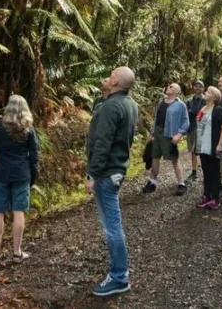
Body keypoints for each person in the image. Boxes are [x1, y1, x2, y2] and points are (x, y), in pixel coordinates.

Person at [85, 66, 139, 297]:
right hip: (117, 170)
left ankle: (119, 277)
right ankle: (119, 273)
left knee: (112, 226)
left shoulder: (111, 107)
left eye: (110, 74)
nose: (106, 76)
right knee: (112, 223)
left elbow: (102, 144)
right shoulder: (129, 104)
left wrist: (92, 174)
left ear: (116, 81)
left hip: (107, 172)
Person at [0, 95, 40, 267]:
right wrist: (33, 176)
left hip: (1, 174)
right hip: (21, 174)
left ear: (8, 108)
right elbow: (35, 156)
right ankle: (17, 253)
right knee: (18, 211)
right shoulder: (28, 129)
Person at [142, 83, 190, 195]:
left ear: (177, 92)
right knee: (155, 156)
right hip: (157, 133)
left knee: (174, 159)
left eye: (171, 86)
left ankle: (181, 183)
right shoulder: (161, 102)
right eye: (169, 86)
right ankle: (152, 182)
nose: (169, 86)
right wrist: (152, 133)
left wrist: (179, 135)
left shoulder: (180, 105)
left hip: (169, 134)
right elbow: (156, 118)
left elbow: (186, 122)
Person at [194, 86, 222, 210]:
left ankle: (215, 198)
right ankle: (206, 194)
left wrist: (220, 144)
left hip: (213, 145)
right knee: (206, 171)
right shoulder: (202, 109)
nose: (205, 93)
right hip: (202, 145)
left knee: (214, 171)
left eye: (208, 92)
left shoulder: (219, 110)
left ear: (214, 97)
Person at [185, 80, 206, 183]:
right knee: (193, 151)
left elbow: (199, 112)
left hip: (202, 128)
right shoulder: (189, 100)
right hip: (192, 127)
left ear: (203, 88)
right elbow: (187, 113)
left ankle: (206, 171)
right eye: (196, 86)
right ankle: (194, 172)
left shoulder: (206, 100)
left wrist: (193, 111)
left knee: (202, 150)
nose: (198, 88)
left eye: (200, 86)